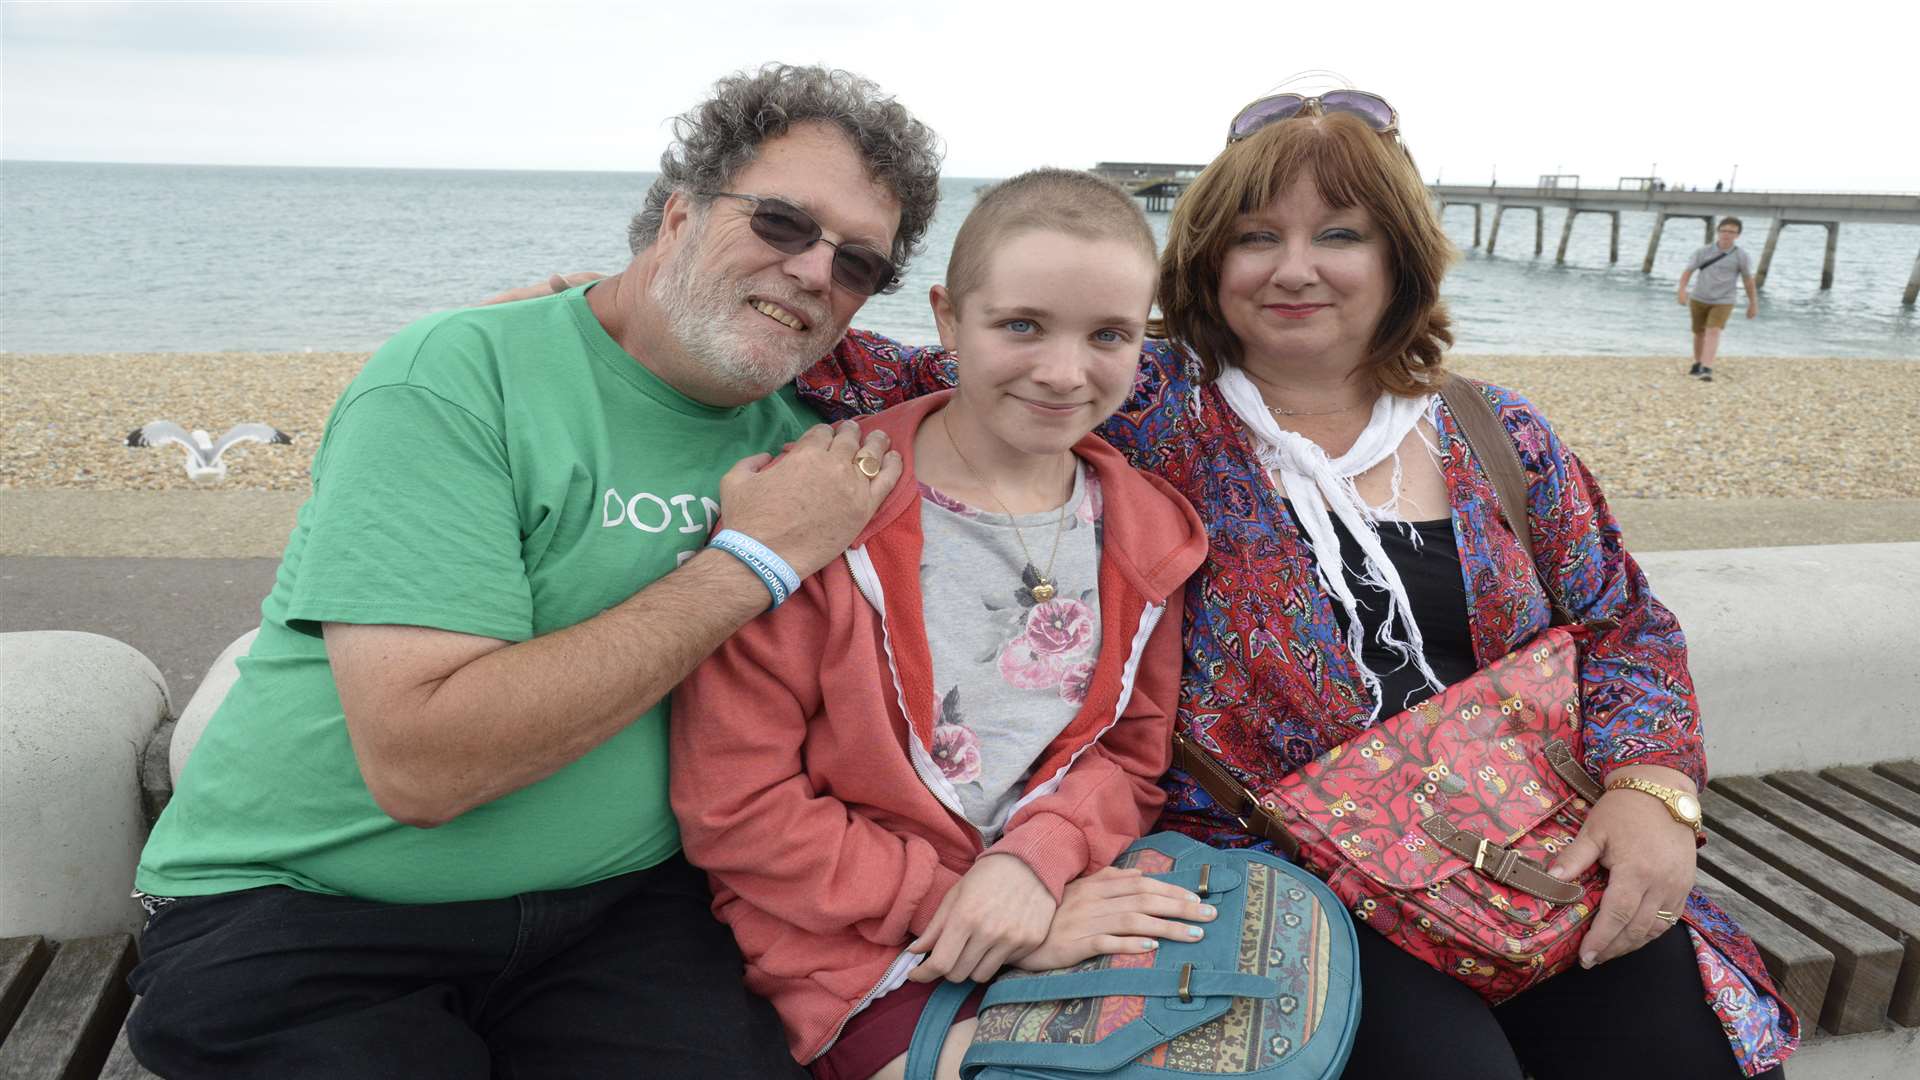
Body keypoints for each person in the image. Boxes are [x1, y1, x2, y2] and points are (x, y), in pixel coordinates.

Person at [792, 96, 1798, 1078]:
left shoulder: (1500, 433)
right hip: (1277, 882)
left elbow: (1622, 617)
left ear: (1399, 252)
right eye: (1256, 236)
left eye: (1340, 234)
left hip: (1530, 853)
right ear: (1208, 261)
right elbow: (854, 364)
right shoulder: (1137, 403)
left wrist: (1654, 791)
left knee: (1682, 1050)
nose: (1294, 268)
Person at [124, 64, 941, 1079]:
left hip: (621, 916)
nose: (818, 272)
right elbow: (425, 765)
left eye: (859, 263)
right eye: (782, 223)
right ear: (679, 212)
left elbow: (1045, 382)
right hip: (309, 913)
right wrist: (754, 561)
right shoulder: (459, 375)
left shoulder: (818, 443)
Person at [669, 169, 1211, 1080]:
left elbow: (1129, 756)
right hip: (851, 949)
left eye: (1108, 335)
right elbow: (737, 808)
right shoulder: (819, 506)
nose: (1063, 371)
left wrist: (1037, 864)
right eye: (1021, 326)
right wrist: (963, 898)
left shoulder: (1148, 530)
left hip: (1059, 901)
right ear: (948, 318)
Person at [1678, 216, 1759, 382]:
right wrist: (1681, 290)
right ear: (1718, 231)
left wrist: (1753, 303)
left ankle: (1707, 368)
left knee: (1713, 331)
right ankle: (1698, 362)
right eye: (1724, 230)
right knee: (1699, 333)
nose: (1727, 234)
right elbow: (1688, 271)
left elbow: (1748, 280)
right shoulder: (1703, 252)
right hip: (1699, 297)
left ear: (1738, 235)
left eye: (1732, 232)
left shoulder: (1741, 256)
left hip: (1724, 300)